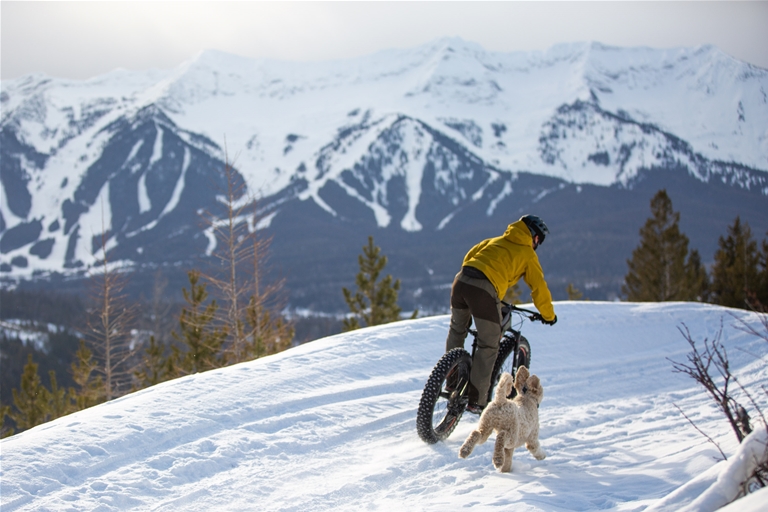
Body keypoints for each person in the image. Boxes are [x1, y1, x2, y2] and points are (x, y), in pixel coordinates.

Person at [445, 214, 557, 414]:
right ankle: (476, 402)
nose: (537, 243)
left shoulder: (495, 241)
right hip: (484, 290)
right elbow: (539, 288)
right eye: (538, 239)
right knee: (488, 343)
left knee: (457, 330)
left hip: (461, 281)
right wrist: (549, 315)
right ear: (534, 237)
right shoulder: (528, 254)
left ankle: (452, 382)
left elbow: (469, 257)